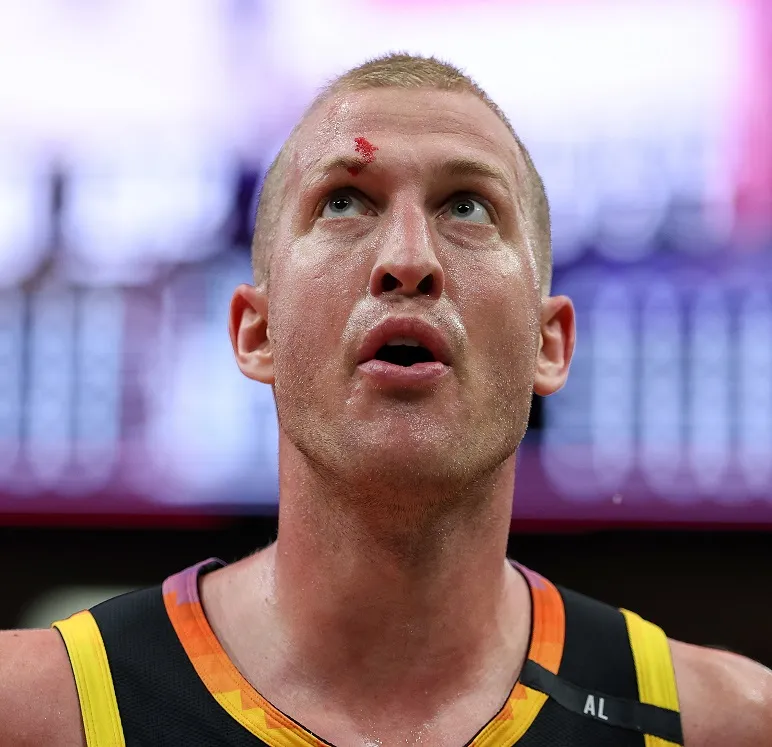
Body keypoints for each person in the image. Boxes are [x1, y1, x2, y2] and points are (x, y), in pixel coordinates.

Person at [1, 53, 770, 747]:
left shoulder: (731, 724)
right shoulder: (31, 711)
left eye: (467, 207)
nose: (408, 259)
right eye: (344, 202)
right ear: (256, 332)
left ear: (550, 344)